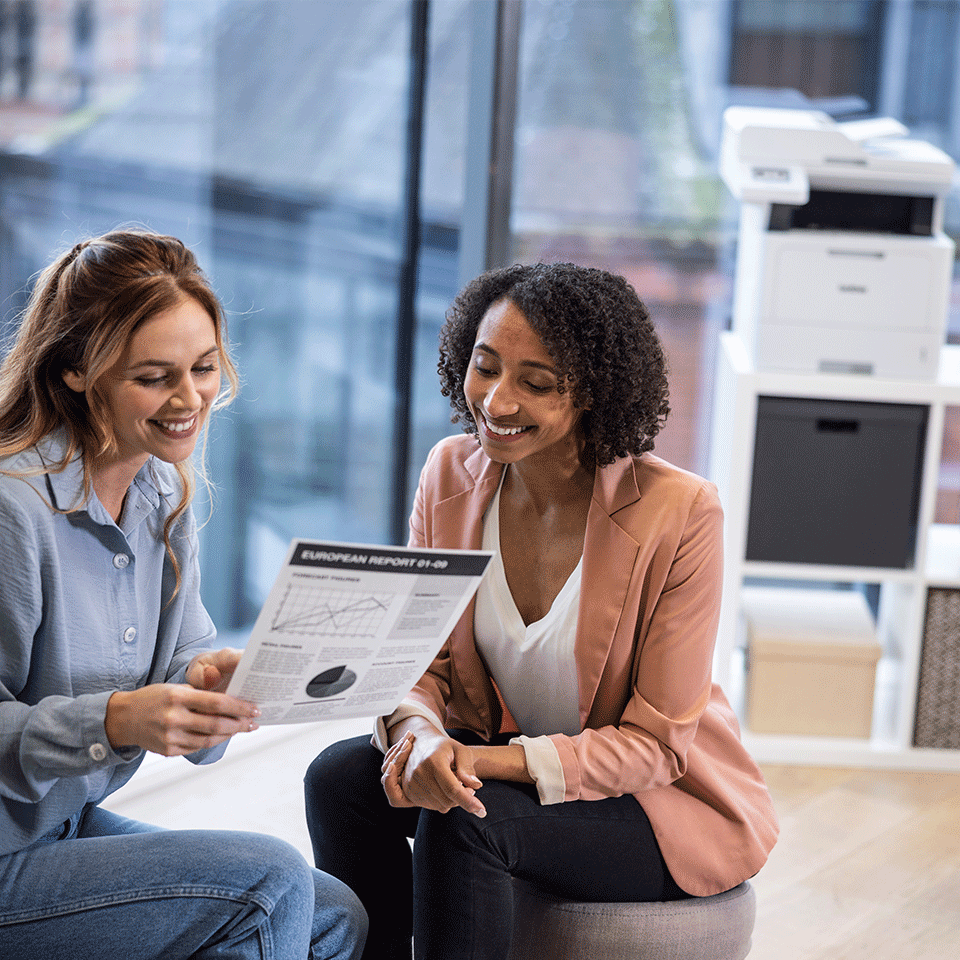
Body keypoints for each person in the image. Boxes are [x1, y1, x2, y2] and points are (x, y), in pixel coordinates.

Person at [304, 262, 779, 960]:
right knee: (339, 780)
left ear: (592, 393)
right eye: (485, 367)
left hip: (654, 800)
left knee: (465, 819)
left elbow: (656, 748)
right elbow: (420, 660)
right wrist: (420, 734)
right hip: (515, 754)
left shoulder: (680, 513)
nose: (495, 402)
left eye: (536, 383)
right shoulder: (450, 475)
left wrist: (472, 761)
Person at [0, 229, 367, 960]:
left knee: (334, 914)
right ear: (77, 369)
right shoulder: (14, 510)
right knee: (273, 885)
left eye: (203, 368)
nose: (190, 398)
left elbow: (185, 650)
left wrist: (208, 682)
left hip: (57, 826)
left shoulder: (158, 487)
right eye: (154, 377)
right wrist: (115, 719)